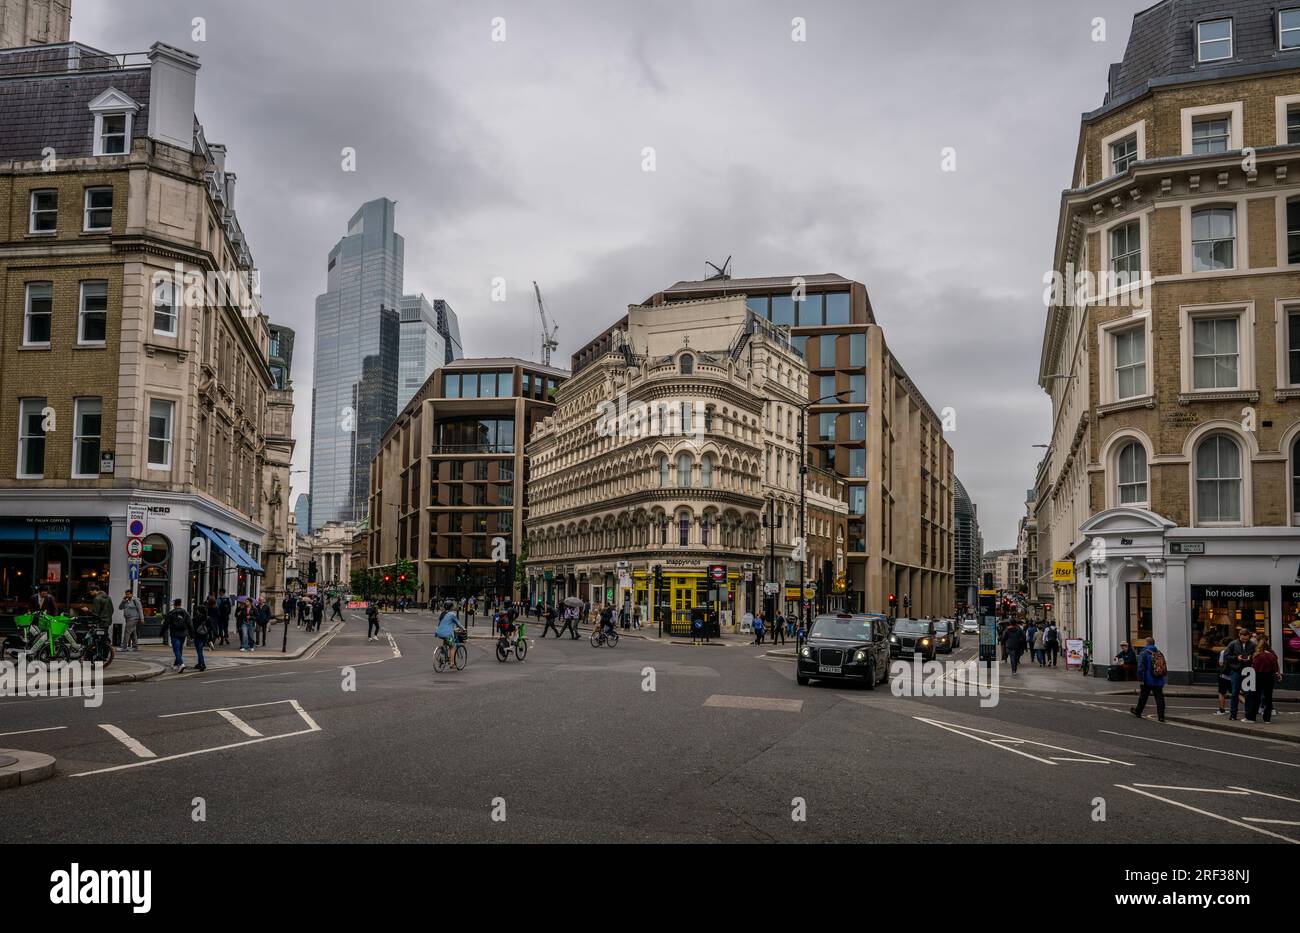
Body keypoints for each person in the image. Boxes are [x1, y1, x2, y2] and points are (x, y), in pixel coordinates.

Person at [1131, 636, 1167, 722]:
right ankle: (1161, 716)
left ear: (1146, 643)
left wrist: (1140, 679)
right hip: (1159, 679)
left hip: (1147, 679)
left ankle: (1138, 712)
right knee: (1159, 698)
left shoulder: (1144, 652)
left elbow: (1140, 667)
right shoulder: (1159, 653)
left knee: (1143, 696)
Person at [1244, 637, 1279, 724]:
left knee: (1256, 697)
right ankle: (1267, 719)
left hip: (1258, 677)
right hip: (1269, 677)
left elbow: (1254, 668)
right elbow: (1275, 668)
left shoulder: (1257, 655)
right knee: (1268, 698)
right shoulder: (1272, 656)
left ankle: (1252, 718)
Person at [1224, 627, 1256, 720]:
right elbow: (1227, 656)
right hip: (1236, 671)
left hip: (1249, 671)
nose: (1245, 640)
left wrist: (1251, 657)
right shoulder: (1233, 644)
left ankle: (1248, 715)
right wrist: (1236, 658)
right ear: (1239, 635)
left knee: (1249, 694)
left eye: (1246, 639)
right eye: (1243, 639)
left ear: (1249, 636)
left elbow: (1256, 655)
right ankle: (1233, 715)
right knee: (1235, 693)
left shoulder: (1253, 644)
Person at [162, 598, 192, 672]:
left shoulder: (171, 613)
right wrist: (192, 634)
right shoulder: (185, 612)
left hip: (175, 634)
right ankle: (176, 664)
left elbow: (166, 624)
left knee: (176, 650)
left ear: (174, 604)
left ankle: (181, 664)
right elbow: (190, 624)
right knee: (179, 649)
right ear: (180, 604)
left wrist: (162, 632)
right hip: (183, 634)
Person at [190, 599, 210, 672]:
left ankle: (202, 664)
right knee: (200, 650)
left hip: (198, 636)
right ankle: (199, 663)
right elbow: (209, 627)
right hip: (204, 636)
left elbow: (192, 628)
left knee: (199, 651)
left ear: (198, 611)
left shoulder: (195, 619)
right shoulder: (207, 618)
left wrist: (191, 636)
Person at [1215, 645, 1232, 715]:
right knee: (1235, 694)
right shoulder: (1236, 652)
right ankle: (1233, 708)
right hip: (1233, 676)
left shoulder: (1223, 652)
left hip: (1224, 676)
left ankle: (1221, 710)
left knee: (1222, 693)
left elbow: (1220, 663)